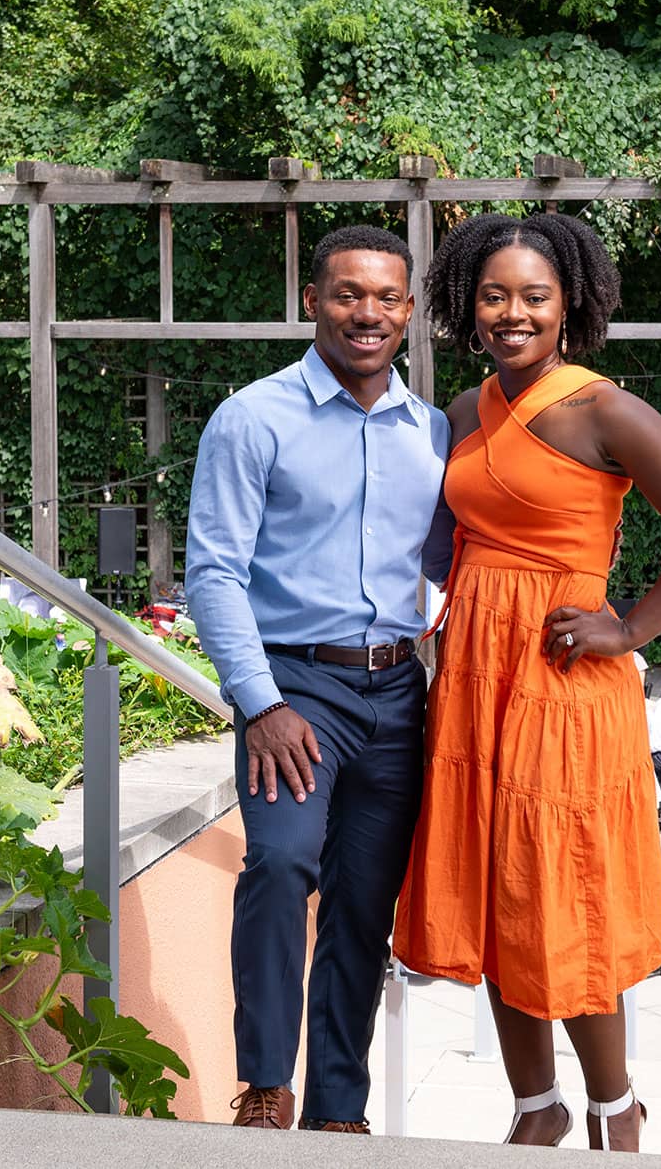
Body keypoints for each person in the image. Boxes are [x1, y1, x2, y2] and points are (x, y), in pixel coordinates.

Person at [393, 212, 661, 1152]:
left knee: (565, 890)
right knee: (497, 887)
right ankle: (535, 1104)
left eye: (534, 297)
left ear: (568, 304)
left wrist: (628, 628)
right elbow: (441, 541)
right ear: (468, 304)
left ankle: (614, 1108)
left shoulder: (603, 409)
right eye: (494, 295)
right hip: (477, 673)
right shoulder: (465, 410)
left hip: (562, 674)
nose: (513, 313)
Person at [186, 224, 448, 1134]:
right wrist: (260, 702)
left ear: (408, 311)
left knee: (364, 902)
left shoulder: (432, 432)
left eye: (386, 297)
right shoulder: (253, 418)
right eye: (348, 293)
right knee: (282, 858)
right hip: (294, 686)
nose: (367, 313)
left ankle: (339, 1107)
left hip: (398, 691)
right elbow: (213, 572)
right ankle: (265, 1082)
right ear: (312, 301)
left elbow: (447, 561)